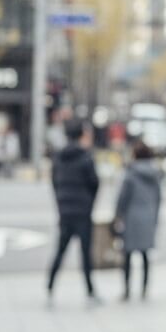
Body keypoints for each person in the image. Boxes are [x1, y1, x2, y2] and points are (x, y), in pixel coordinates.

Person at [47, 119, 100, 305]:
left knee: (60, 251)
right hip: (83, 212)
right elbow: (94, 184)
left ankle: (50, 286)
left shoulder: (59, 157)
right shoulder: (86, 157)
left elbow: (54, 182)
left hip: (65, 211)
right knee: (86, 254)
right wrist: (89, 204)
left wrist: (61, 204)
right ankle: (90, 291)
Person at [114, 142, 161, 300]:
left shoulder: (131, 173)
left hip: (131, 217)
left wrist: (118, 215)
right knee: (145, 254)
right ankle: (144, 288)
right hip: (148, 216)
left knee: (127, 255)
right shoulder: (155, 174)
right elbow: (158, 198)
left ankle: (127, 289)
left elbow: (123, 198)